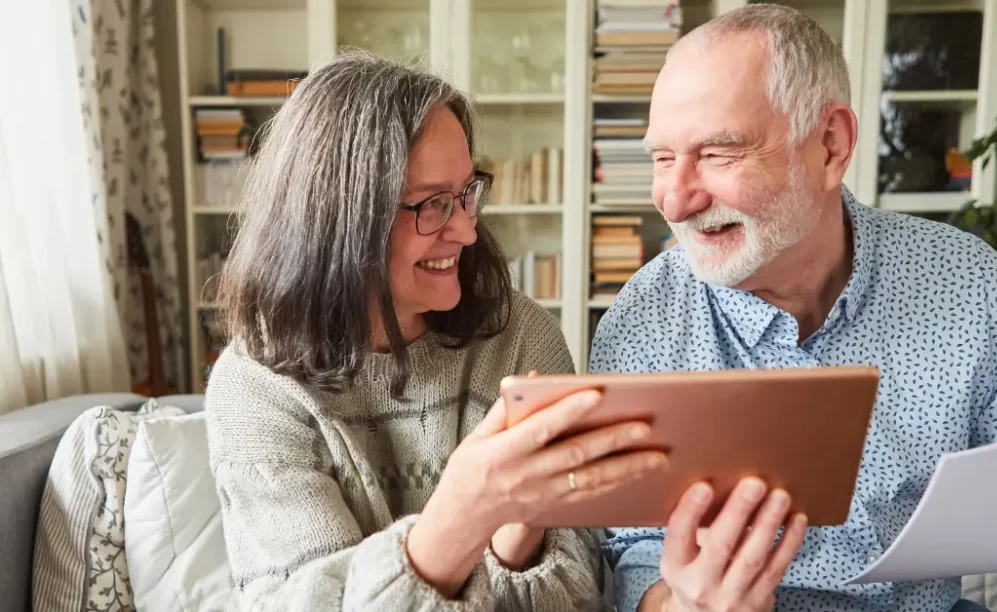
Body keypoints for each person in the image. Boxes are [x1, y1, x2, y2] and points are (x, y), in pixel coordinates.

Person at [590, 5, 997, 612]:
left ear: (831, 146)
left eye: (718, 153)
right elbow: (632, 551)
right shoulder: (645, 320)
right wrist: (674, 605)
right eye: (661, 158)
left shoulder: (970, 286)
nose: (674, 201)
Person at [205, 51, 668, 612]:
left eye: (467, 192)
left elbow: (578, 596)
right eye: (433, 205)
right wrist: (463, 514)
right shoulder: (254, 386)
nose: (468, 231)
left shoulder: (521, 337)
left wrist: (515, 541)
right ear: (341, 217)